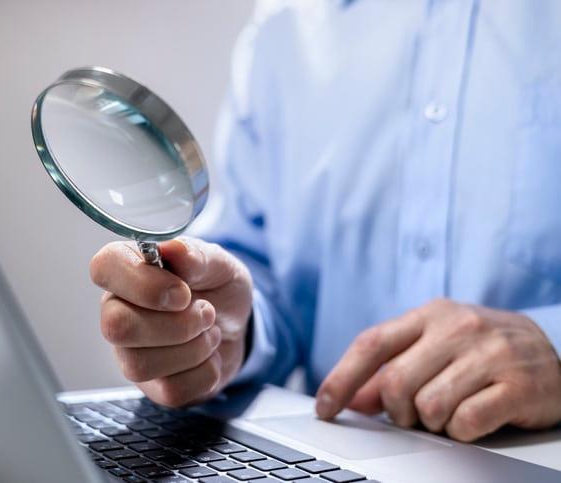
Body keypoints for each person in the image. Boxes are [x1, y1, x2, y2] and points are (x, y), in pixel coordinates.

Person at [89, 0, 561, 442]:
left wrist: (554, 349)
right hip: (333, 450)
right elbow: (265, 272)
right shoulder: (284, 24)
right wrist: (225, 333)